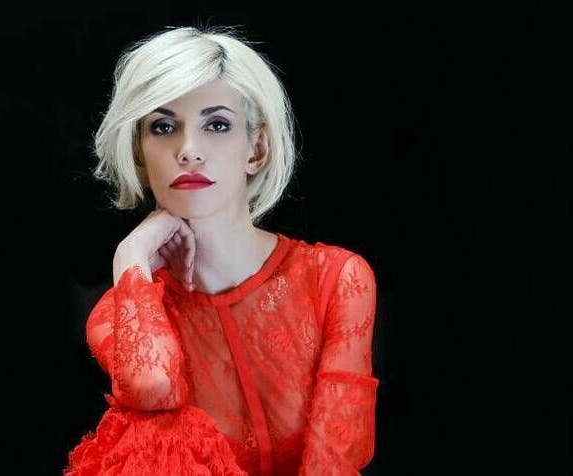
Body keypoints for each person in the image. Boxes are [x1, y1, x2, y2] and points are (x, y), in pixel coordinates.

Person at [64, 25, 379, 476]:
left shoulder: (335, 278)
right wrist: (130, 256)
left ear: (257, 148)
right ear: (140, 156)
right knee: (149, 431)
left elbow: (335, 462)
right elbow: (153, 387)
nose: (189, 150)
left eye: (216, 125)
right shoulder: (118, 313)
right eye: (163, 127)